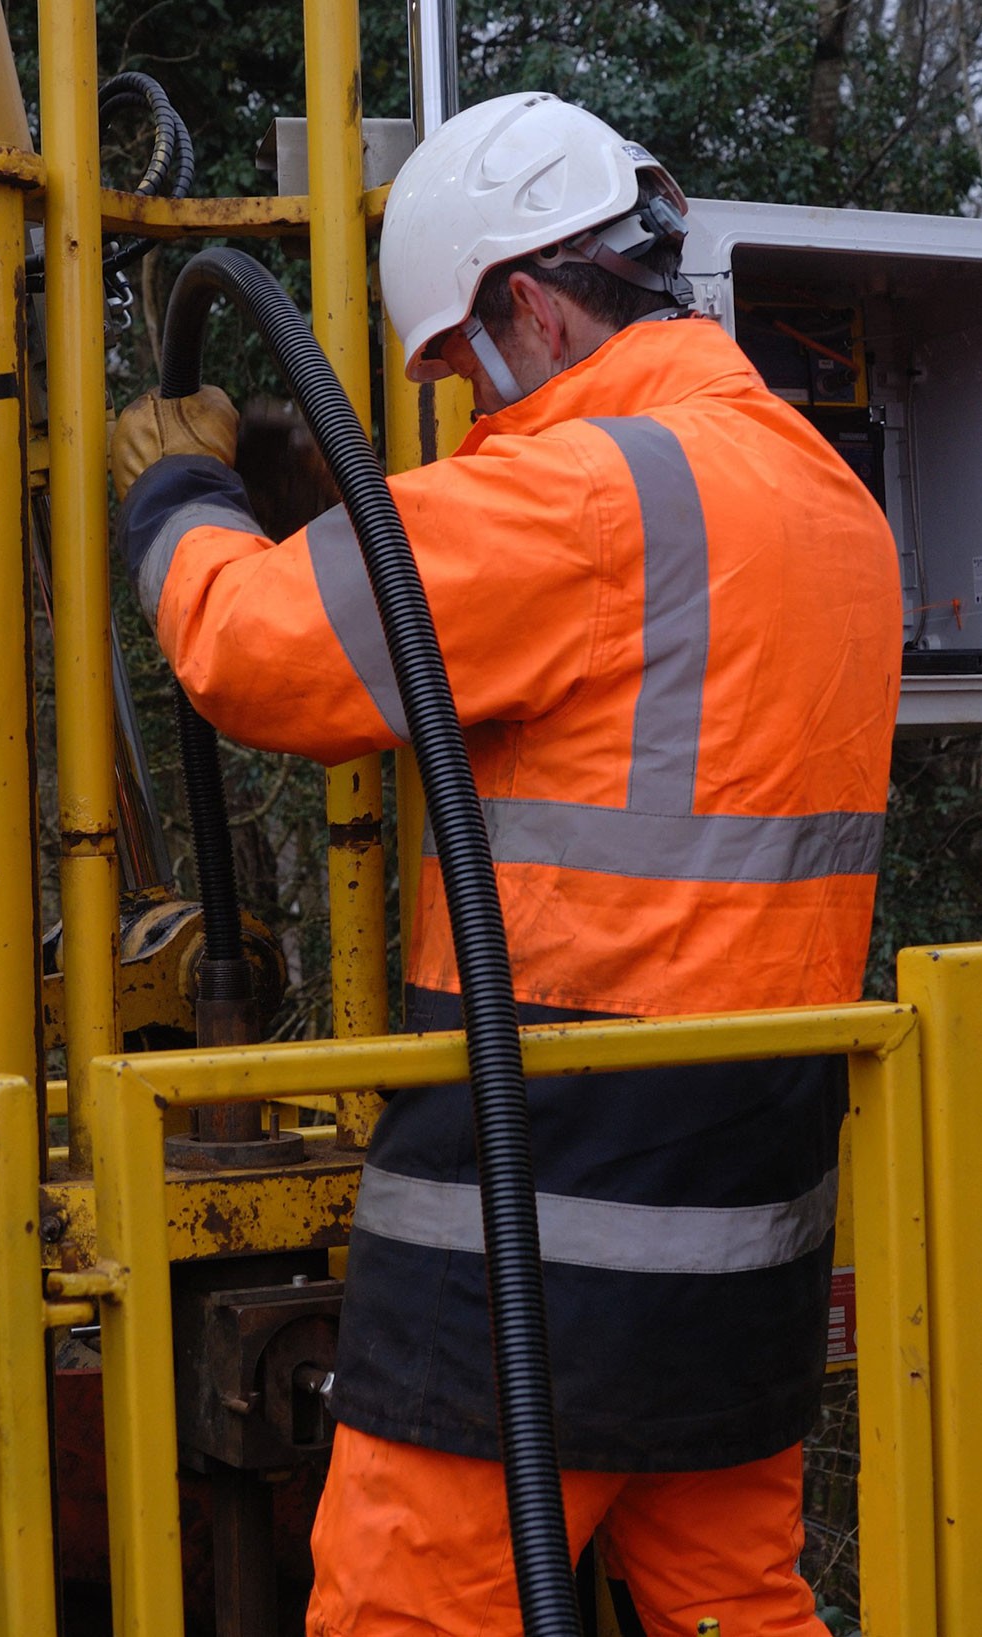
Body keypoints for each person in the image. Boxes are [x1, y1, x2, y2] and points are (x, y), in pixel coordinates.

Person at [112, 92, 902, 1637]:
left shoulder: (593, 487)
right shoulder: (818, 493)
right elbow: (589, 688)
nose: (467, 403)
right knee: (730, 1600)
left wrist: (176, 495)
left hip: (544, 1198)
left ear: (530, 302)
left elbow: (257, 648)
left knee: (414, 1607)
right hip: (748, 1191)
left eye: (461, 362)